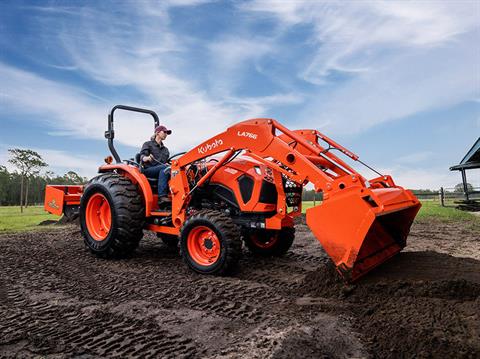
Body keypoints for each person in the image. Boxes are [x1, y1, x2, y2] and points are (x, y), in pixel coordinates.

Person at [140, 125, 172, 208]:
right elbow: (142, 156)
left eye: (167, 133)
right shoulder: (148, 144)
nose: (166, 134)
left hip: (162, 169)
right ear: (157, 133)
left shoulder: (166, 150)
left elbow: (167, 162)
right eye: (164, 132)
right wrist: (146, 158)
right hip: (148, 170)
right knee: (165, 168)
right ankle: (162, 197)